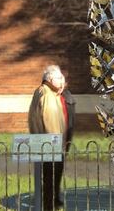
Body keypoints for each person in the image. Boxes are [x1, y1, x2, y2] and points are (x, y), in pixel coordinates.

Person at [28, 65, 67, 210]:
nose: (61, 82)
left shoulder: (48, 93)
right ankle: (48, 207)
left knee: (49, 181)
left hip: (47, 144)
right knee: (50, 181)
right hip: (50, 146)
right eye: (59, 78)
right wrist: (56, 147)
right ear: (50, 79)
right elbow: (50, 122)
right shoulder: (47, 95)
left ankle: (48, 206)